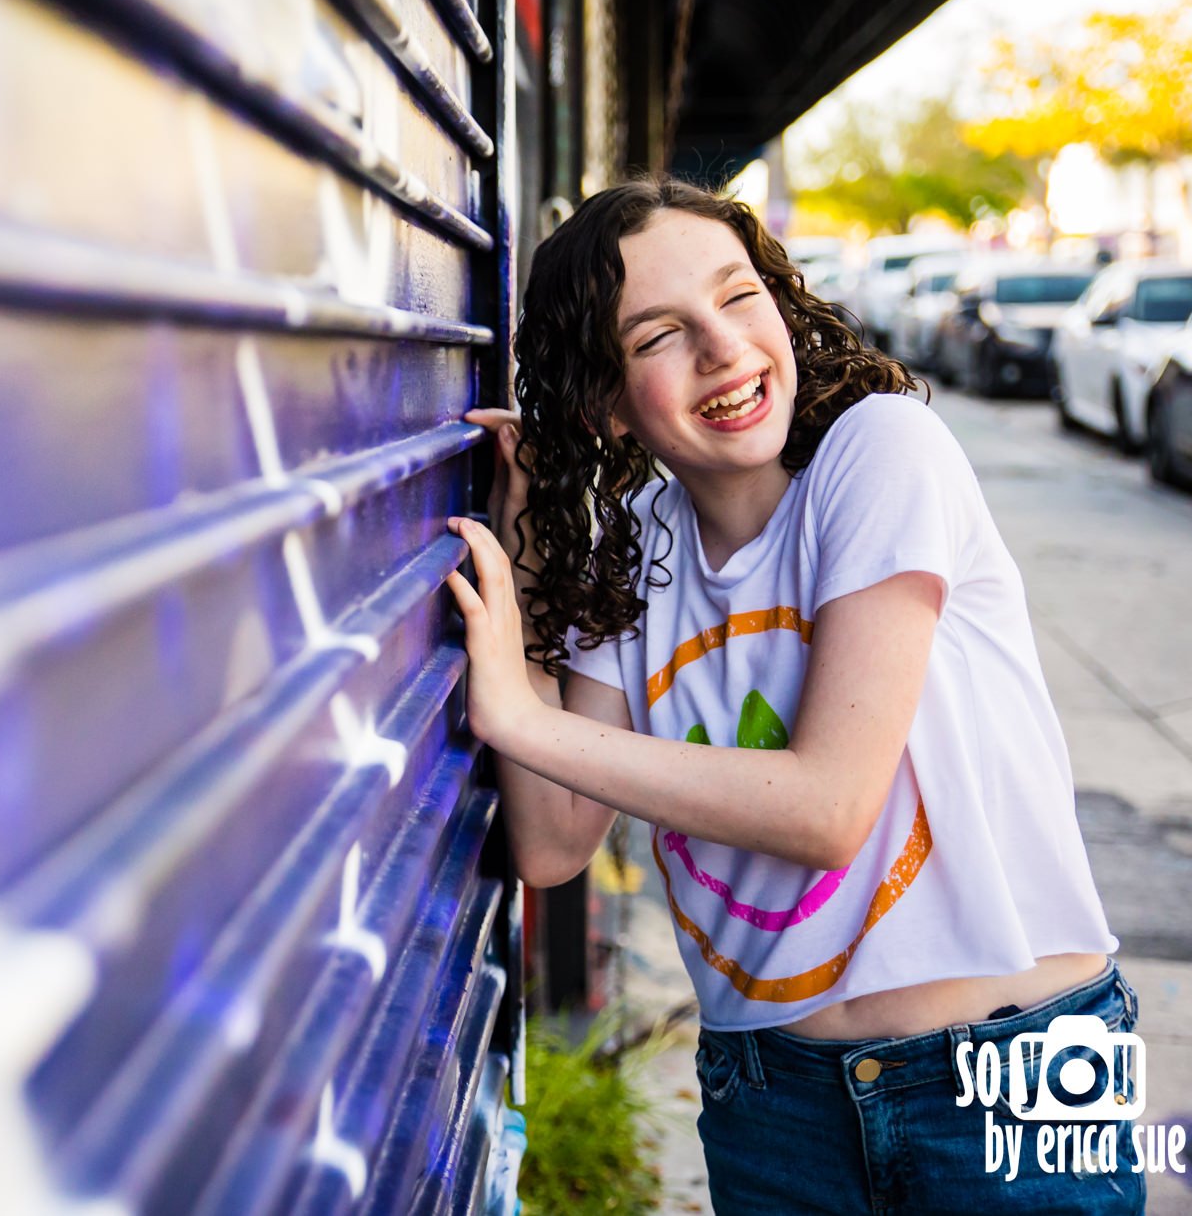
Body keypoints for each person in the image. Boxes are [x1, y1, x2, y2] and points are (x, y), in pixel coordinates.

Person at [444, 177, 1140, 1214]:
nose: (722, 349)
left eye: (735, 297)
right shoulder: (635, 549)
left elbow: (826, 810)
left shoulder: (879, 452)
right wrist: (533, 538)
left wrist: (514, 715)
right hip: (770, 1103)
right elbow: (551, 842)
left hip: (1012, 1080)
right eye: (656, 337)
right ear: (602, 400)